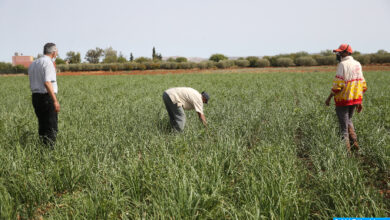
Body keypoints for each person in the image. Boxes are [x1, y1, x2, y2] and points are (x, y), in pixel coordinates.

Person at [325, 44, 367, 152]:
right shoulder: (357, 64)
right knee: (348, 120)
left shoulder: (342, 65)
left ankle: (347, 153)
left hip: (343, 100)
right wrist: (359, 101)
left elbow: (338, 85)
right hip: (355, 99)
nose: (338, 54)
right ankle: (355, 145)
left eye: (340, 52)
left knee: (344, 127)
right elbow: (362, 83)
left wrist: (329, 98)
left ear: (346, 53)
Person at [28, 43, 60, 146]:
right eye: (57, 51)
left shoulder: (34, 63)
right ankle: (49, 154)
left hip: (35, 97)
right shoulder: (48, 63)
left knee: (42, 126)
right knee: (51, 127)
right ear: (54, 52)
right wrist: (55, 100)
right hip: (46, 97)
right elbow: (47, 82)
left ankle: (42, 151)